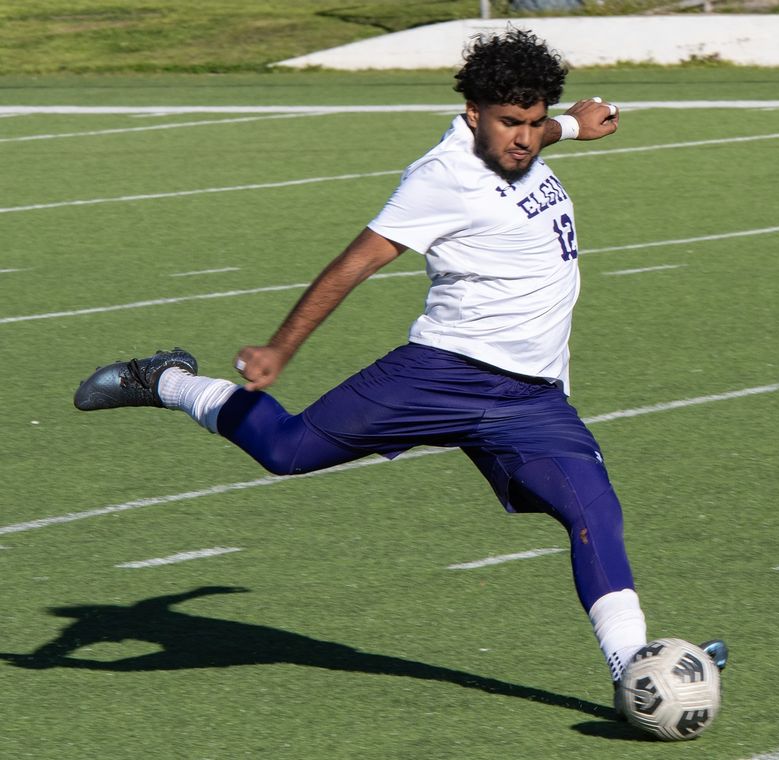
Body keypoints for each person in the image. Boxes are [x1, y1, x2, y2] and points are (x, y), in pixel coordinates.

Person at [74, 28, 725, 715]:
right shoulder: (439, 178)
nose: (526, 140)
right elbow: (352, 265)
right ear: (472, 114)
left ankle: (636, 674)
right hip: (440, 374)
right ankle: (168, 381)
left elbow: (531, 134)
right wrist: (279, 351)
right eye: (512, 123)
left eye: (535, 123)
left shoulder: (518, 141)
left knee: (594, 512)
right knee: (286, 452)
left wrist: (572, 125)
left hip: (530, 398)